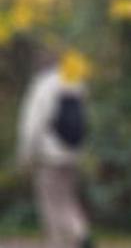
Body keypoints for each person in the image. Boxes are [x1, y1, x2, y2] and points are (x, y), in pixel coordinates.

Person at [16, 49, 95, 248]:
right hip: (72, 152)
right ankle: (81, 233)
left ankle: (59, 243)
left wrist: (25, 154)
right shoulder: (75, 83)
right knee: (67, 197)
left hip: (49, 153)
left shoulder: (43, 85)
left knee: (50, 201)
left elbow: (32, 122)